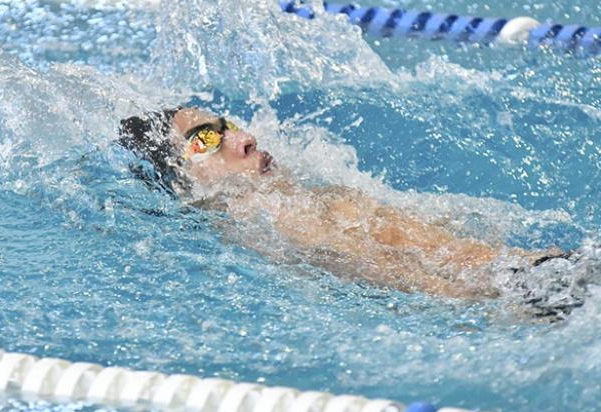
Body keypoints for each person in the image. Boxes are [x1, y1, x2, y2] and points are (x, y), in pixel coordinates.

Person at [119, 107, 585, 316]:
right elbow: (407, 277)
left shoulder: (318, 197)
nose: (246, 139)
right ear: (182, 182)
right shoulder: (261, 221)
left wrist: (535, 269)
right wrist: (529, 295)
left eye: (229, 125)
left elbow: (441, 249)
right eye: (207, 140)